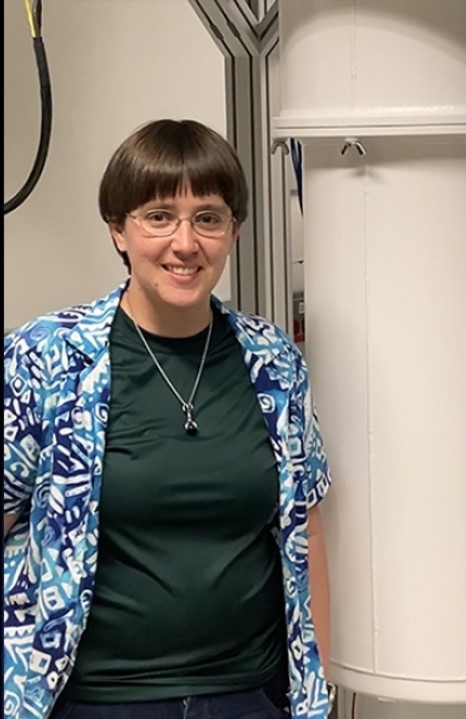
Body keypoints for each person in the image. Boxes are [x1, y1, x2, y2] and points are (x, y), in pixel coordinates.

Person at [4, 119, 334, 719]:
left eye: (207, 217)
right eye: (158, 216)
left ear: (233, 231)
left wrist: (318, 698)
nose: (185, 243)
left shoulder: (273, 362)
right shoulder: (45, 358)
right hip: (96, 699)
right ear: (118, 230)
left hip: (248, 697)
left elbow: (306, 533)